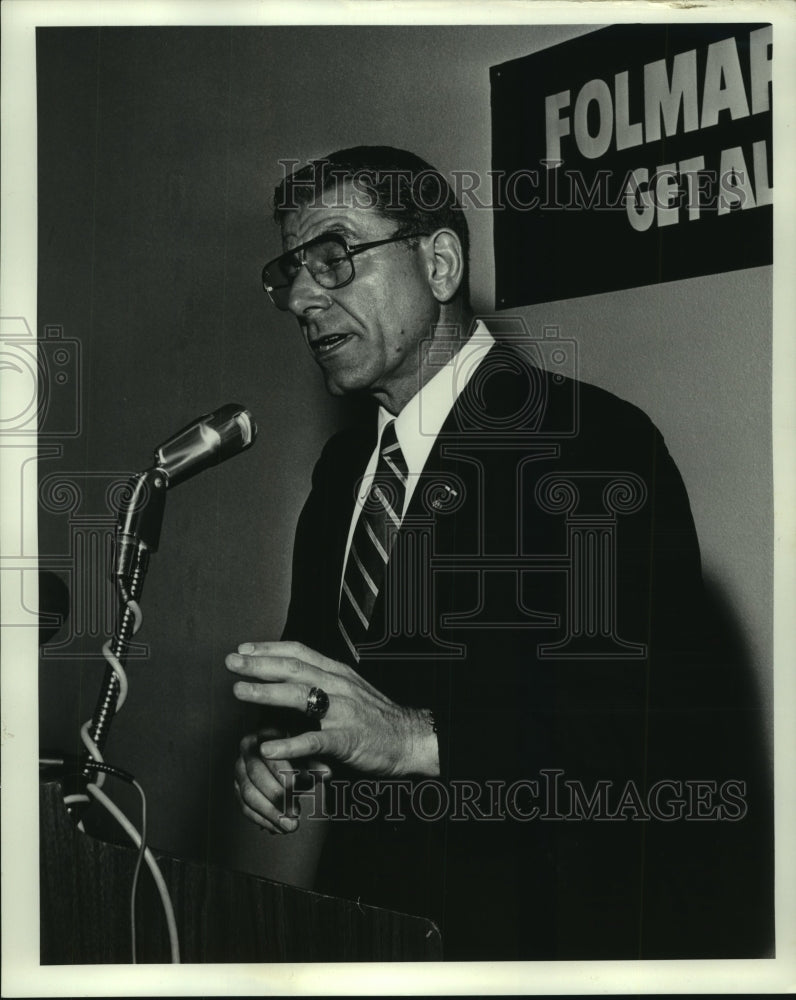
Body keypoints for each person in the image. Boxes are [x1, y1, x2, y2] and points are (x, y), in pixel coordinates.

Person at [226, 146, 772, 960]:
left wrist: (411, 738)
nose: (304, 298)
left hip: (546, 944)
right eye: (290, 272)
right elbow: (336, 694)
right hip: (374, 935)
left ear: (439, 262)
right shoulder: (344, 473)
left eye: (335, 258)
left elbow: (638, 735)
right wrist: (283, 751)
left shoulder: (592, 444)